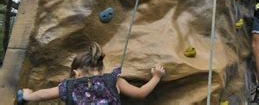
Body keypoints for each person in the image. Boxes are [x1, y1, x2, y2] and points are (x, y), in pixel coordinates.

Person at [19, 42, 165, 104]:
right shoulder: (114, 81)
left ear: (76, 73)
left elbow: (43, 94)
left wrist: (28, 95)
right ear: (101, 69)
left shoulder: (68, 86)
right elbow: (140, 93)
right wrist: (156, 77)